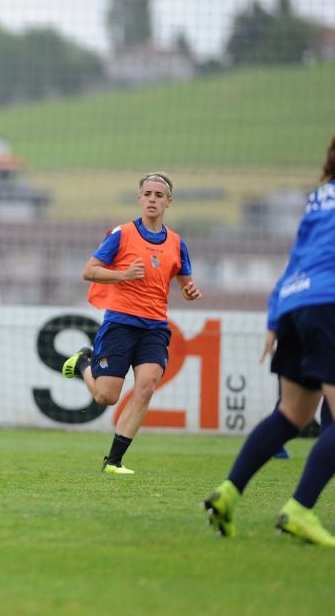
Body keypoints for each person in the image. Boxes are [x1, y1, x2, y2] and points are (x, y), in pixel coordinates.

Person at [204, 135, 335, 546]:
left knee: (293, 413)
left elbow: (297, 259)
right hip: (330, 303)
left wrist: (275, 318)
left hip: (296, 301)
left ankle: (228, 493)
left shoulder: (319, 199)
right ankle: (299, 510)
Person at [61, 172, 201, 474]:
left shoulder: (177, 243)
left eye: (159, 195)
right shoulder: (122, 234)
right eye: (147, 194)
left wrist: (190, 292)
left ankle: (113, 461)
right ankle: (84, 362)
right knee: (106, 396)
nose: (152, 199)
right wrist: (122, 275)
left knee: (146, 388)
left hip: (155, 327)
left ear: (168, 202)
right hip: (121, 323)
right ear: (139, 198)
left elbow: (185, 285)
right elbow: (89, 270)